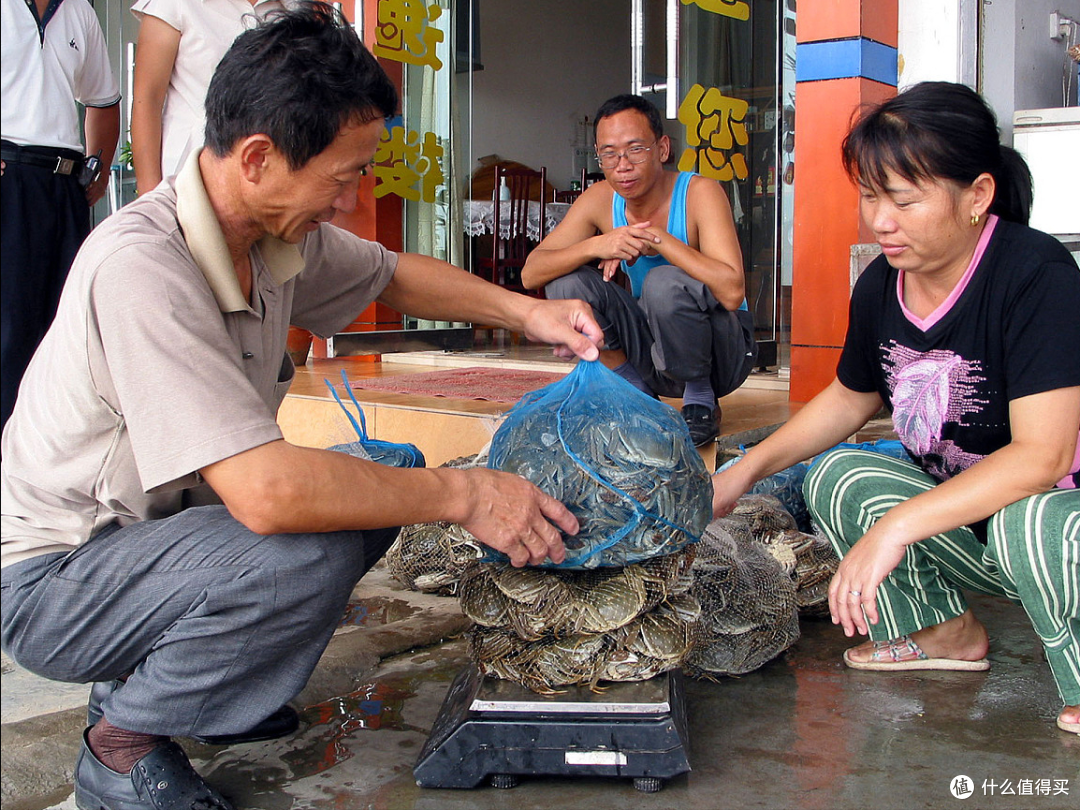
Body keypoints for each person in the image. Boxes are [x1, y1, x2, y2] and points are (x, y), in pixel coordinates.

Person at [0, 5, 603, 809]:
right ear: (259, 158)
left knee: (380, 477)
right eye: (345, 174)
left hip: (154, 544)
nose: (353, 199)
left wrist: (529, 314)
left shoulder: (270, 236)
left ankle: (208, 695)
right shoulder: (143, 268)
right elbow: (269, 494)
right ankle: (122, 741)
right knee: (306, 549)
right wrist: (469, 495)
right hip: (56, 579)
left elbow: (392, 274)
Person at [710, 82, 1080, 736]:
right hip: (974, 522)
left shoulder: (1035, 274)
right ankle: (945, 633)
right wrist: (744, 471)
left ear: (978, 196)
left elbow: (1041, 458)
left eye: (904, 200)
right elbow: (851, 397)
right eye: (872, 196)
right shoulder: (884, 282)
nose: (881, 221)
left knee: (1029, 520)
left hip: (1057, 521)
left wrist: (896, 527)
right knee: (837, 475)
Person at [521, 94, 756, 447]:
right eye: (609, 154)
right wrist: (596, 245)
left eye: (635, 149)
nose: (622, 165)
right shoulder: (600, 198)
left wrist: (657, 240)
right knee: (567, 282)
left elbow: (732, 291)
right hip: (653, 343)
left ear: (662, 148)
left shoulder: (699, 192)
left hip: (722, 350)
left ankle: (700, 399)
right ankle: (635, 391)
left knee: (663, 281)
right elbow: (531, 273)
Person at [1, 0, 121, 431]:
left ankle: (43, 461)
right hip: (9, 174)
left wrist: (100, 167)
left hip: (64, 184)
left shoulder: (80, 13)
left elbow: (103, 100)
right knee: (9, 329)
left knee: (64, 329)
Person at [130, 0, 286, 196]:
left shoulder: (293, 6)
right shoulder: (174, 4)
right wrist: (150, 196)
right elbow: (147, 100)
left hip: (273, 178)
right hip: (190, 179)